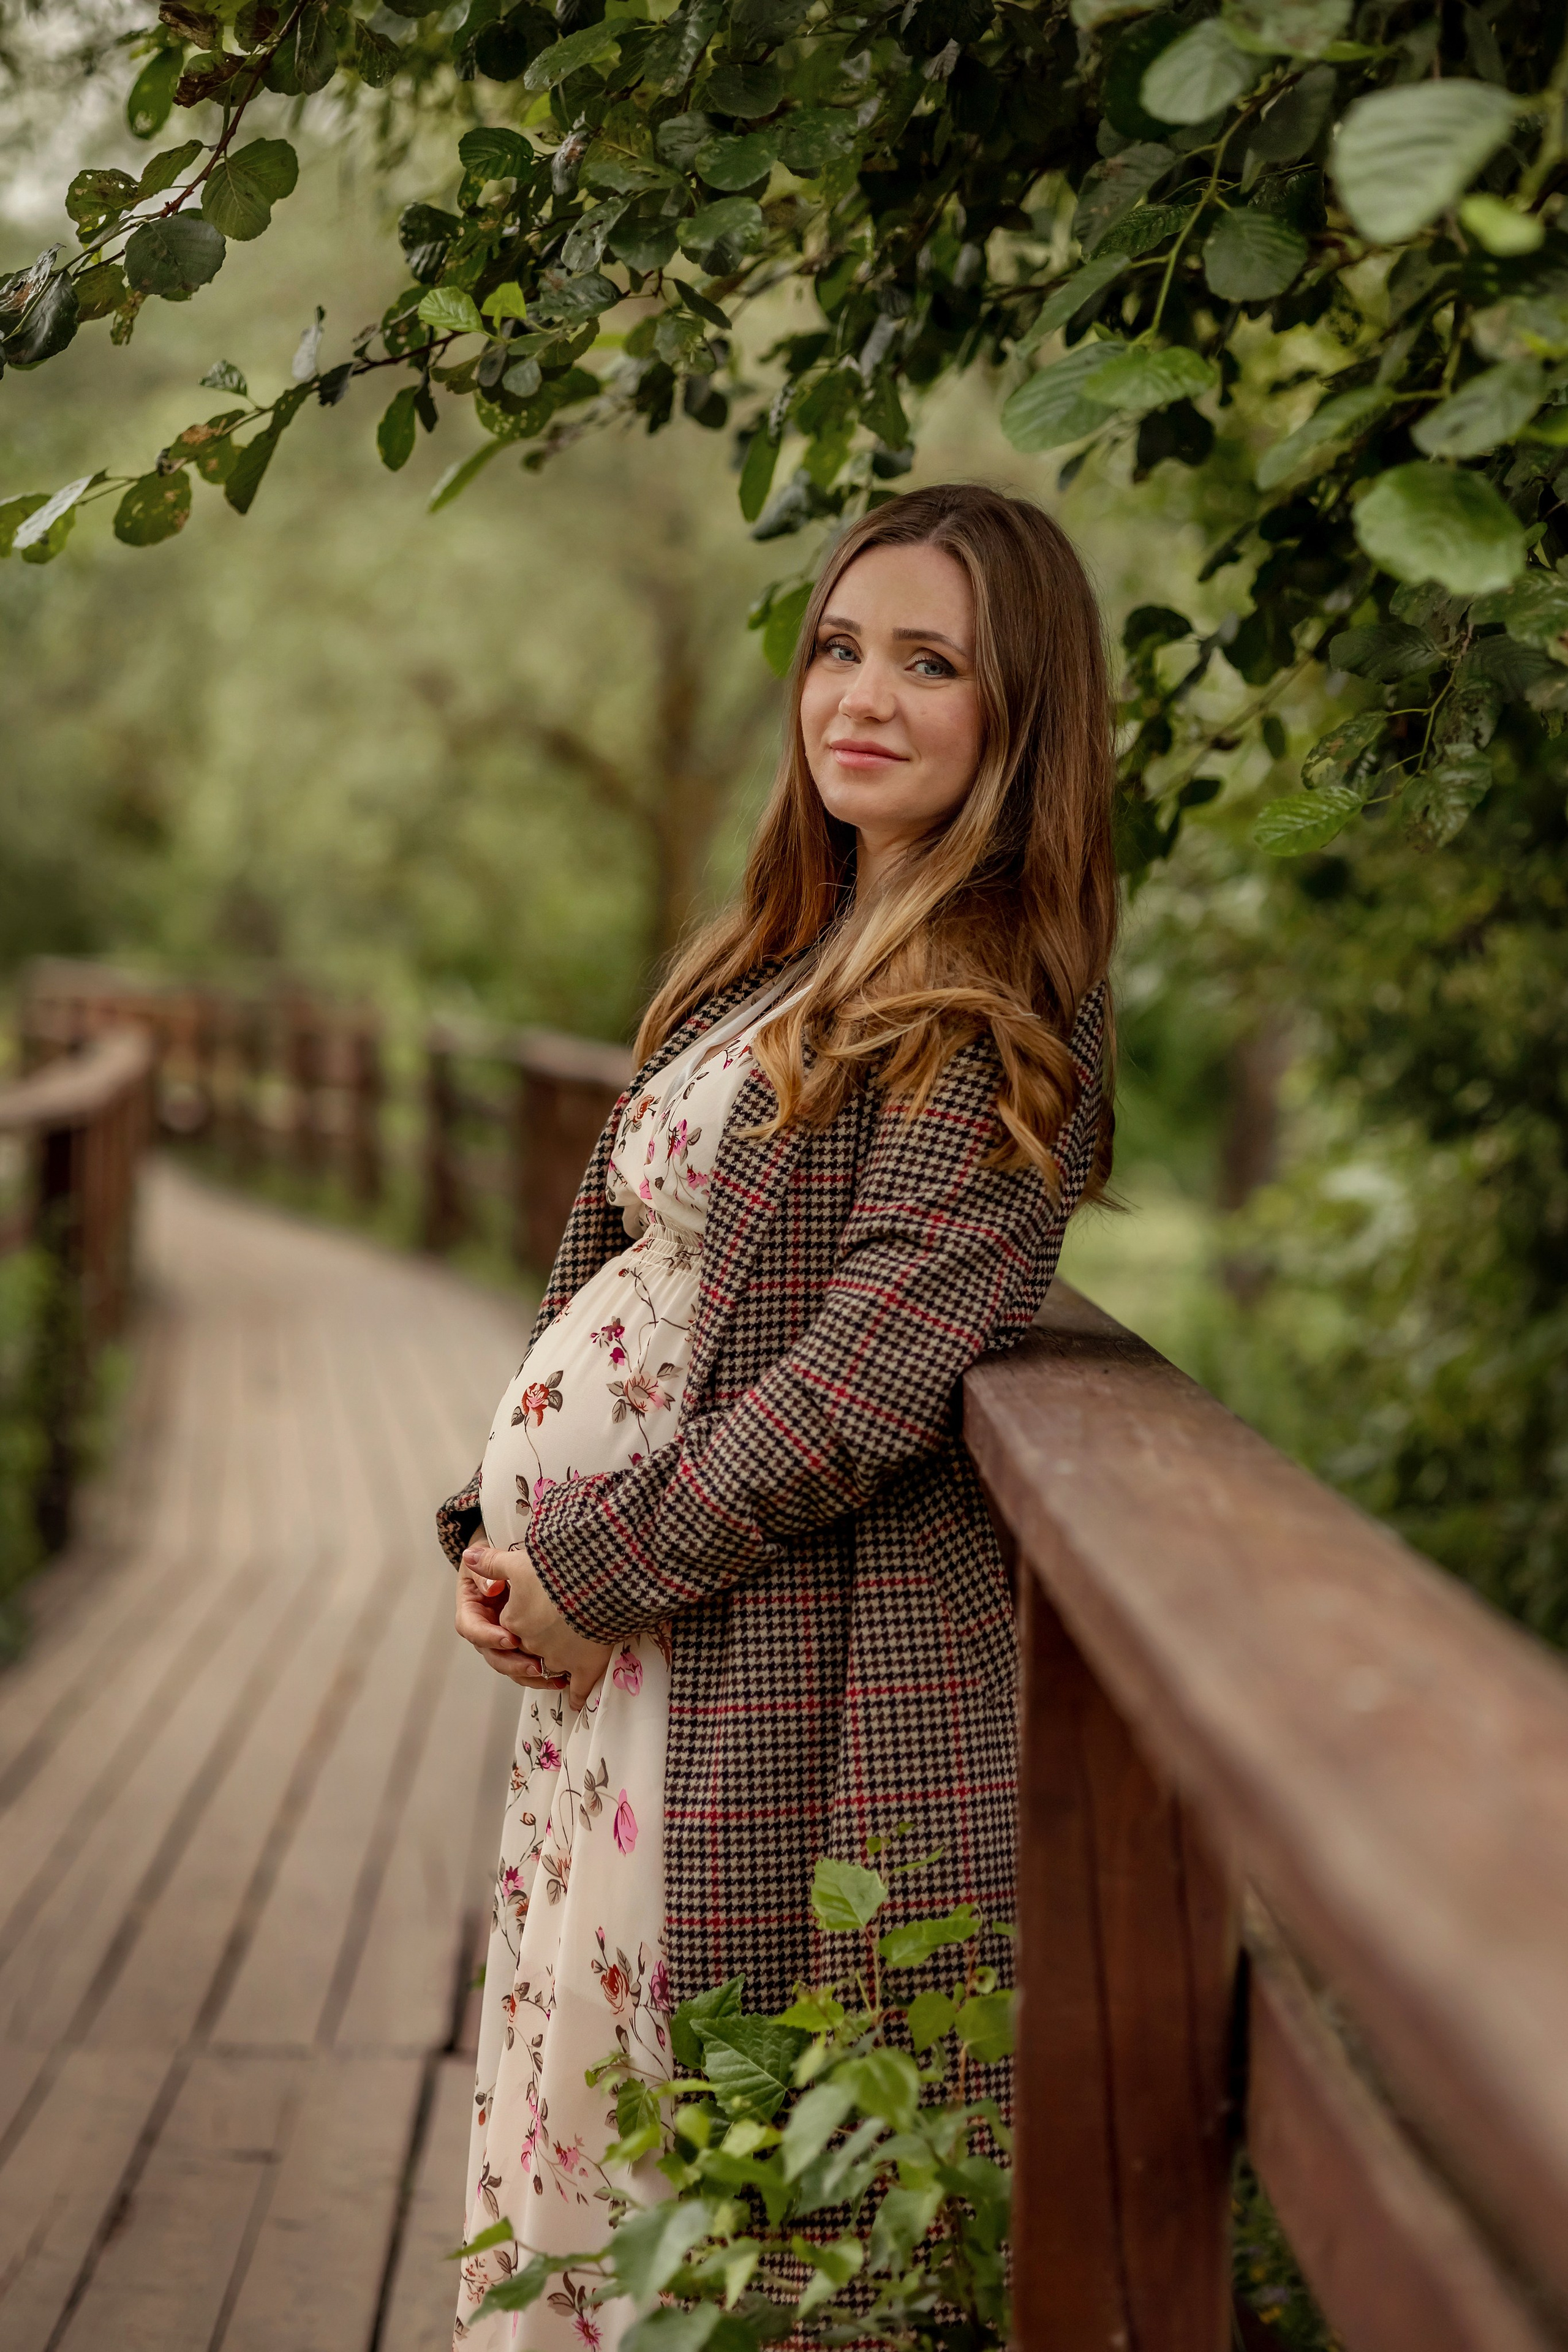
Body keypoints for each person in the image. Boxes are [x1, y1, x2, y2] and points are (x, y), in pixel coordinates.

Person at [437, 481, 1117, 2348]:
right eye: (840, 647)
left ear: (1020, 718)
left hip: (749, 1658)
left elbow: (864, 1376)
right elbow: (640, 1296)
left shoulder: (987, 1014)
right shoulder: (783, 957)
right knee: (599, 2148)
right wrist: (500, 1537)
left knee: (719, 2201)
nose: (863, 697)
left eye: (930, 663)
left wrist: (595, 1565)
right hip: (625, 1646)